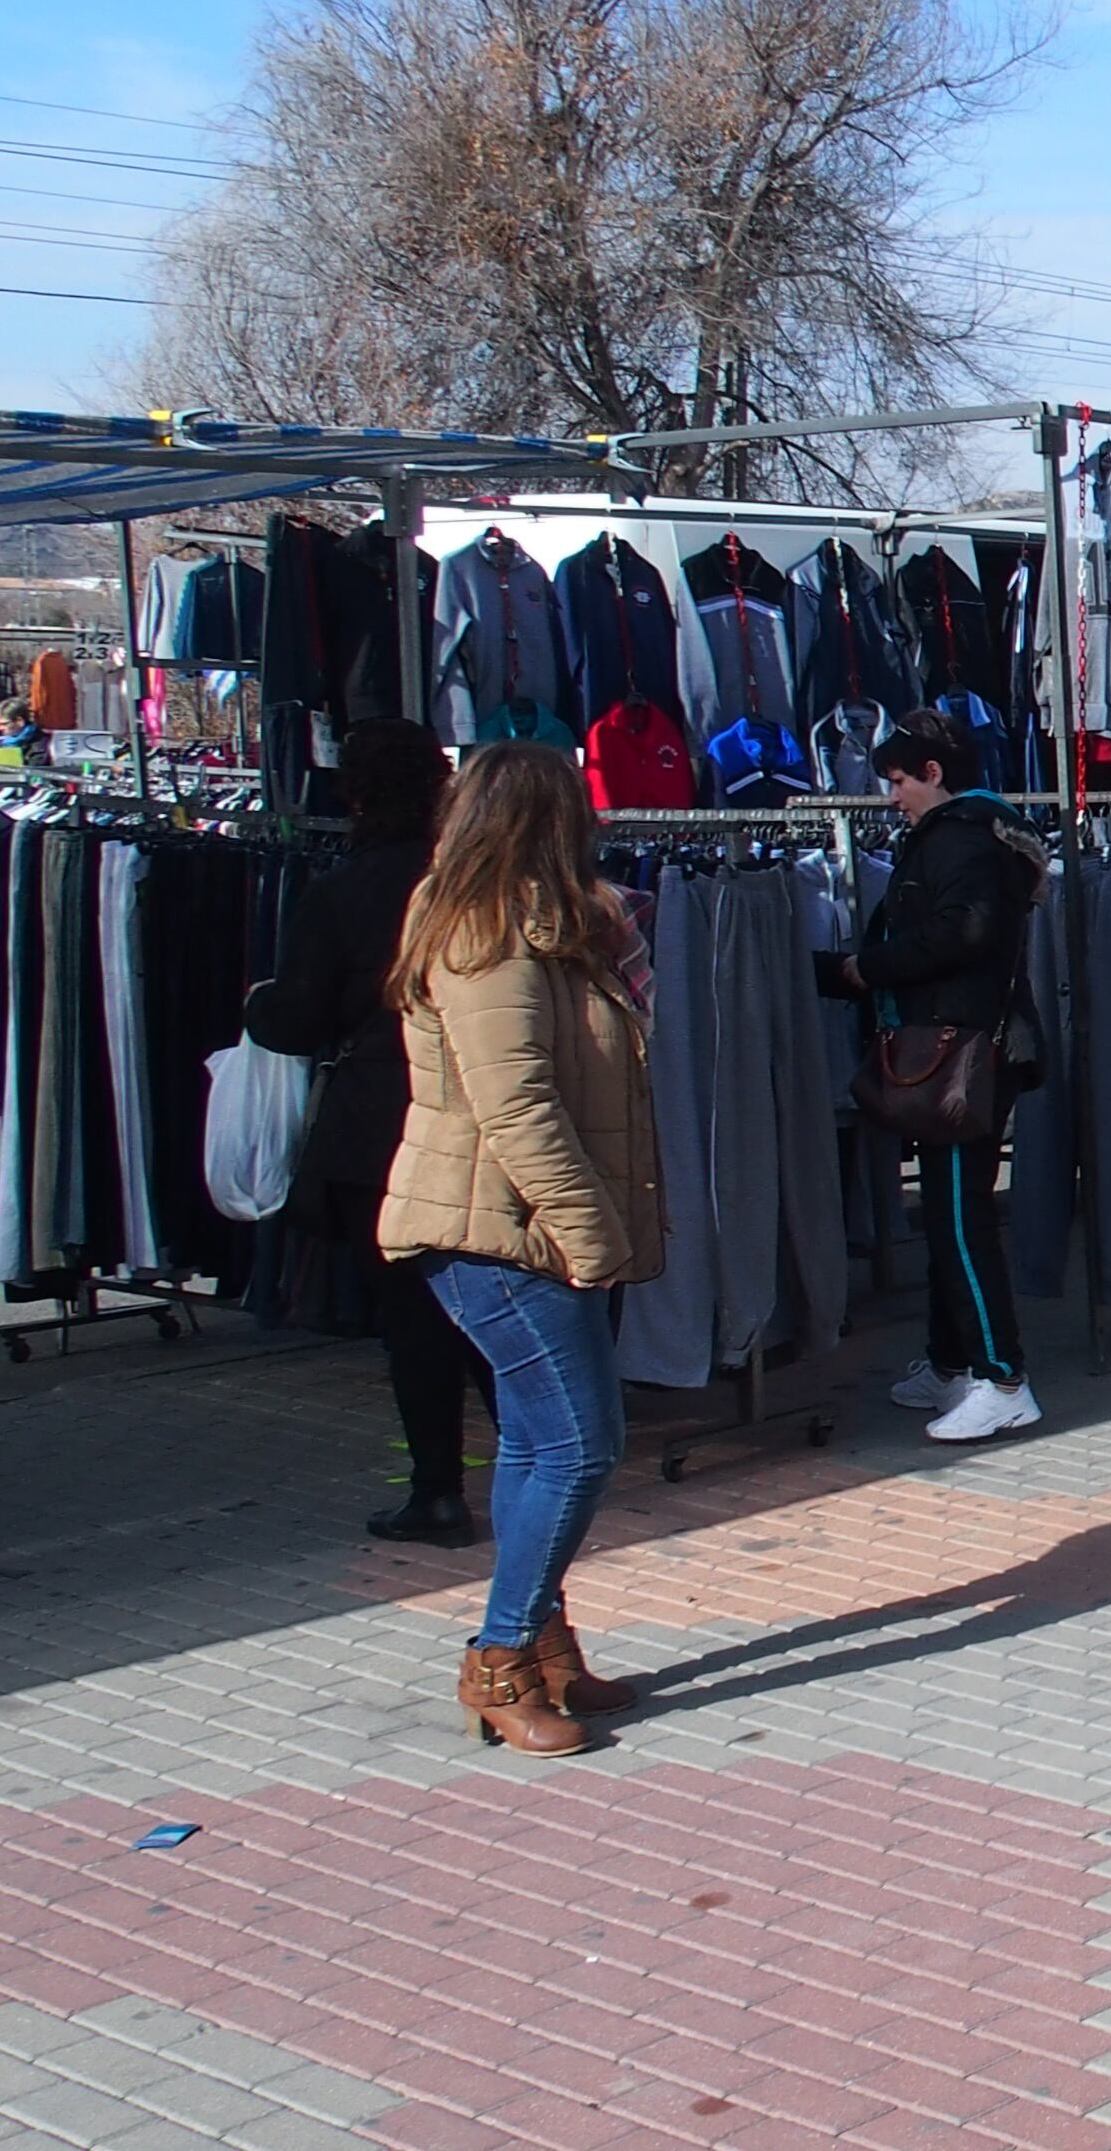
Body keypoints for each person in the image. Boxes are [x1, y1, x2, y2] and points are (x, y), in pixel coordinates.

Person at [381, 742, 667, 1755]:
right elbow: (518, 1104)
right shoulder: (484, 934)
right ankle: (499, 1657)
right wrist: (588, 1231)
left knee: (540, 1440)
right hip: (499, 1230)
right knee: (582, 1442)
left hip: (522, 1223)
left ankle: (540, 1644)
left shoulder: (539, 927)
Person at [241, 721, 488, 1544]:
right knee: (491, 1306)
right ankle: (541, 1461)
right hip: (469, 1111)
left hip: (376, 1124)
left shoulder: (340, 893)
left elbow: (300, 1017)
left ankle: (438, 1489)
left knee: (411, 1319)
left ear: (355, 793)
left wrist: (257, 1005)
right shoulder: (471, 882)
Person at [817, 708, 1048, 1443]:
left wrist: (866, 967)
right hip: (965, 1046)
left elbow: (968, 929)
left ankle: (1001, 1376)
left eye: (897, 780)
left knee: (956, 1215)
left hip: (963, 1050)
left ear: (933, 774)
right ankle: (952, 1363)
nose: (892, 797)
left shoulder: (961, 839)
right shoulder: (976, 835)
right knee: (956, 1211)